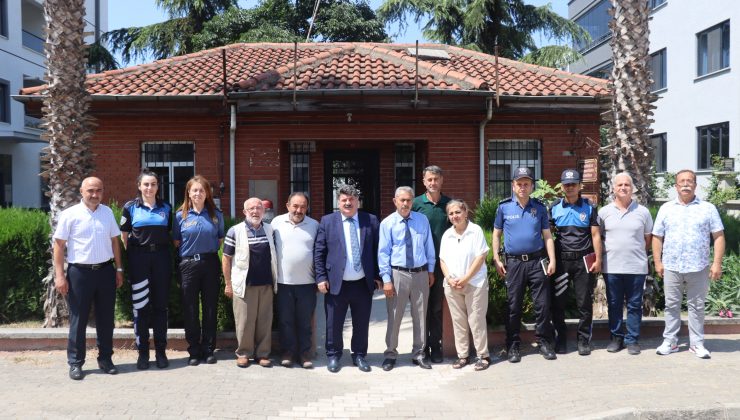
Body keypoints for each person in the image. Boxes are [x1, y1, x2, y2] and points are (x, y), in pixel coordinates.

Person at [53, 177, 124, 380]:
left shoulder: (107, 212)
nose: (95, 194)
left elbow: (115, 242)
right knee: (78, 319)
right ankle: (75, 363)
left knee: (106, 319)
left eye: (99, 190)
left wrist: (119, 269)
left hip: (105, 271)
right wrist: (60, 275)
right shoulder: (70, 214)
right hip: (79, 274)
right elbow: (58, 246)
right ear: (81, 191)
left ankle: (106, 359)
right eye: (91, 190)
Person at [653, 169, 725, 359]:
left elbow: (718, 236)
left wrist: (717, 263)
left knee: (697, 306)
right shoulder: (666, 208)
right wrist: (658, 262)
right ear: (676, 186)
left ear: (695, 185)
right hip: (671, 266)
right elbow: (657, 237)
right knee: (671, 305)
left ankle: (697, 344)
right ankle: (671, 341)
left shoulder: (708, 208)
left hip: (698, 266)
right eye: (682, 181)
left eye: (689, 181)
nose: (686, 184)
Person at [492, 167, 557, 363]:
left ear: (531, 186)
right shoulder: (503, 207)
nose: (522, 187)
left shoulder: (539, 208)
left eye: (526, 184)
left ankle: (544, 342)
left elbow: (547, 236)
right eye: (519, 183)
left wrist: (552, 259)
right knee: (514, 306)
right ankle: (512, 345)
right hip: (514, 263)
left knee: (543, 304)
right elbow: (496, 234)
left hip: (537, 262)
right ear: (513, 186)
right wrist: (496, 259)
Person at [314, 184, 381, 373]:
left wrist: (377, 275)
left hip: (362, 283)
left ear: (357, 201)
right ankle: (334, 355)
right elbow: (319, 252)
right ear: (338, 202)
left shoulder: (371, 220)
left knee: (361, 323)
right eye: (344, 199)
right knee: (334, 323)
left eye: (352, 199)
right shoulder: (327, 221)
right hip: (337, 283)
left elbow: (377, 250)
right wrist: (320, 277)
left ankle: (359, 355)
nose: (348, 203)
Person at [378, 186, 436, 371]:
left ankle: (419, 353)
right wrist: (386, 279)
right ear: (395, 201)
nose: (405, 203)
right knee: (395, 316)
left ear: (413, 201)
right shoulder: (387, 223)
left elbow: (429, 247)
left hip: (420, 273)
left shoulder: (422, 220)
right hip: (398, 275)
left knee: (420, 315)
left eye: (408, 200)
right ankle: (390, 354)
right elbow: (383, 253)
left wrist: (431, 271)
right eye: (402, 200)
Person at [120, 168, 173, 370]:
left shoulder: (166, 207)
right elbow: (124, 236)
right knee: (140, 307)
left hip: (161, 258)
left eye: (153, 184)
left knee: (160, 307)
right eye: (146, 184)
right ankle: (143, 353)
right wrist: (134, 255)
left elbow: (170, 233)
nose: (149, 188)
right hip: (139, 259)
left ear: (158, 187)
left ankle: (161, 352)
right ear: (139, 186)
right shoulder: (130, 207)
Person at [548, 169, 602, 356]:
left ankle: (583, 340)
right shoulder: (554, 207)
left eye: (573, 184)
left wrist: (598, 259)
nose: (569, 187)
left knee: (584, 303)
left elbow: (595, 235)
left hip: (583, 262)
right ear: (562, 186)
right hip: (562, 262)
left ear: (580, 186)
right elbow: (547, 236)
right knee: (558, 303)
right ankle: (560, 340)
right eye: (566, 184)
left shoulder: (589, 207)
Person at [598, 172, 653, 355]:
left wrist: (635, 254)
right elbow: (599, 237)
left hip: (636, 267)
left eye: (627, 185)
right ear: (613, 188)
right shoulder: (604, 212)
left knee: (634, 304)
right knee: (614, 304)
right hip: (611, 267)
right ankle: (616, 338)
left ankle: (632, 340)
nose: (623, 188)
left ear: (632, 188)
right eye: (619, 185)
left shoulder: (643, 212)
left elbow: (648, 239)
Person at [173, 175, 224, 366]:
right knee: (191, 308)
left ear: (207, 193)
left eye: (202, 190)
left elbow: (219, 240)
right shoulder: (180, 216)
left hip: (210, 263)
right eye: (194, 190)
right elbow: (177, 242)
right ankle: (194, 350)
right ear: (188, 192)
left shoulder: (215, 214)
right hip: (188, 266)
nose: (198, 193)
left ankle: (209, 349)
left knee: (210, 308)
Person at [223, 197, 278, 368]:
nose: (255, 211)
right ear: (245, 212)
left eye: (258, 208)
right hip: (245, 285)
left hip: (267, 284)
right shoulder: (235, 231)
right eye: (251, 209)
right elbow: (226, 258)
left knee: (264, 321)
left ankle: (263, 354)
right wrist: (228, 283)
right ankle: (244, 353)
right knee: (245, 322)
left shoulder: (271, 230)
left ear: (263, 211)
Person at [439, 199, 491, 371]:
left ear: (466, 212)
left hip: (475, 284)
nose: (455, 216)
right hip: (453, 286)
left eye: (458, 212)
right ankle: (463, 356)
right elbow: (442, 260)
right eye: (451, 213)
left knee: (476, 320)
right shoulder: (447, 235)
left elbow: (480, 257)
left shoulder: (475, 231)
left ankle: (483, 356)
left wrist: (466, 278)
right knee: (458, 322)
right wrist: (449, 278)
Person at [271, 192, 319, 369]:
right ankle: (287, 353)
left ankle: (305, 354)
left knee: (305, 321)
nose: (299, 210)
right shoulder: (276, 223)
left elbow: (320, 254)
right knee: (285, 320)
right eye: (295, 206)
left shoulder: (314, 225)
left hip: (307, 283)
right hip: (283, 283)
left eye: (303, 207)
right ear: (287, 205)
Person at [412, 165, 451, 363]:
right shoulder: (416, 203)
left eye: (436, 179)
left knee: (436, 308)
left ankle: (435, 346)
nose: (433, 183)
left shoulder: (449, 204)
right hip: (419, 266)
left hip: (441, 265)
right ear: (424, 181)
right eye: (429, 179)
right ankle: (421, 349)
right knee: (421, 309)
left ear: (441, 180)